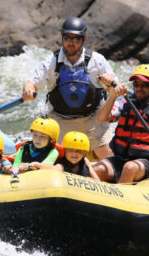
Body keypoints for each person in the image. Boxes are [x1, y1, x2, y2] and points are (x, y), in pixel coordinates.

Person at [21, 17, 117, 160]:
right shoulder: (51, 61)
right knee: (55, 158)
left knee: (107, 155)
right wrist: (28, 89)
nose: (71, 42)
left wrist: (110, 83)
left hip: (92, 118)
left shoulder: (96, 60)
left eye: (76, 39)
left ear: (83, 40)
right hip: (60, 118)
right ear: (62, 38)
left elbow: (115, 89)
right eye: (67, 38)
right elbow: (32, 82)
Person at [93, 65, 149, 184]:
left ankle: (119, 200)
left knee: (129, 168)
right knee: (98, 169)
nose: (139, 88)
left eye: (145, 85)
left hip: (146, 163)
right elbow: (100, 119)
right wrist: (113, 96)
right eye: (136, 84)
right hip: (119, 158)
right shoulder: (125, 102)